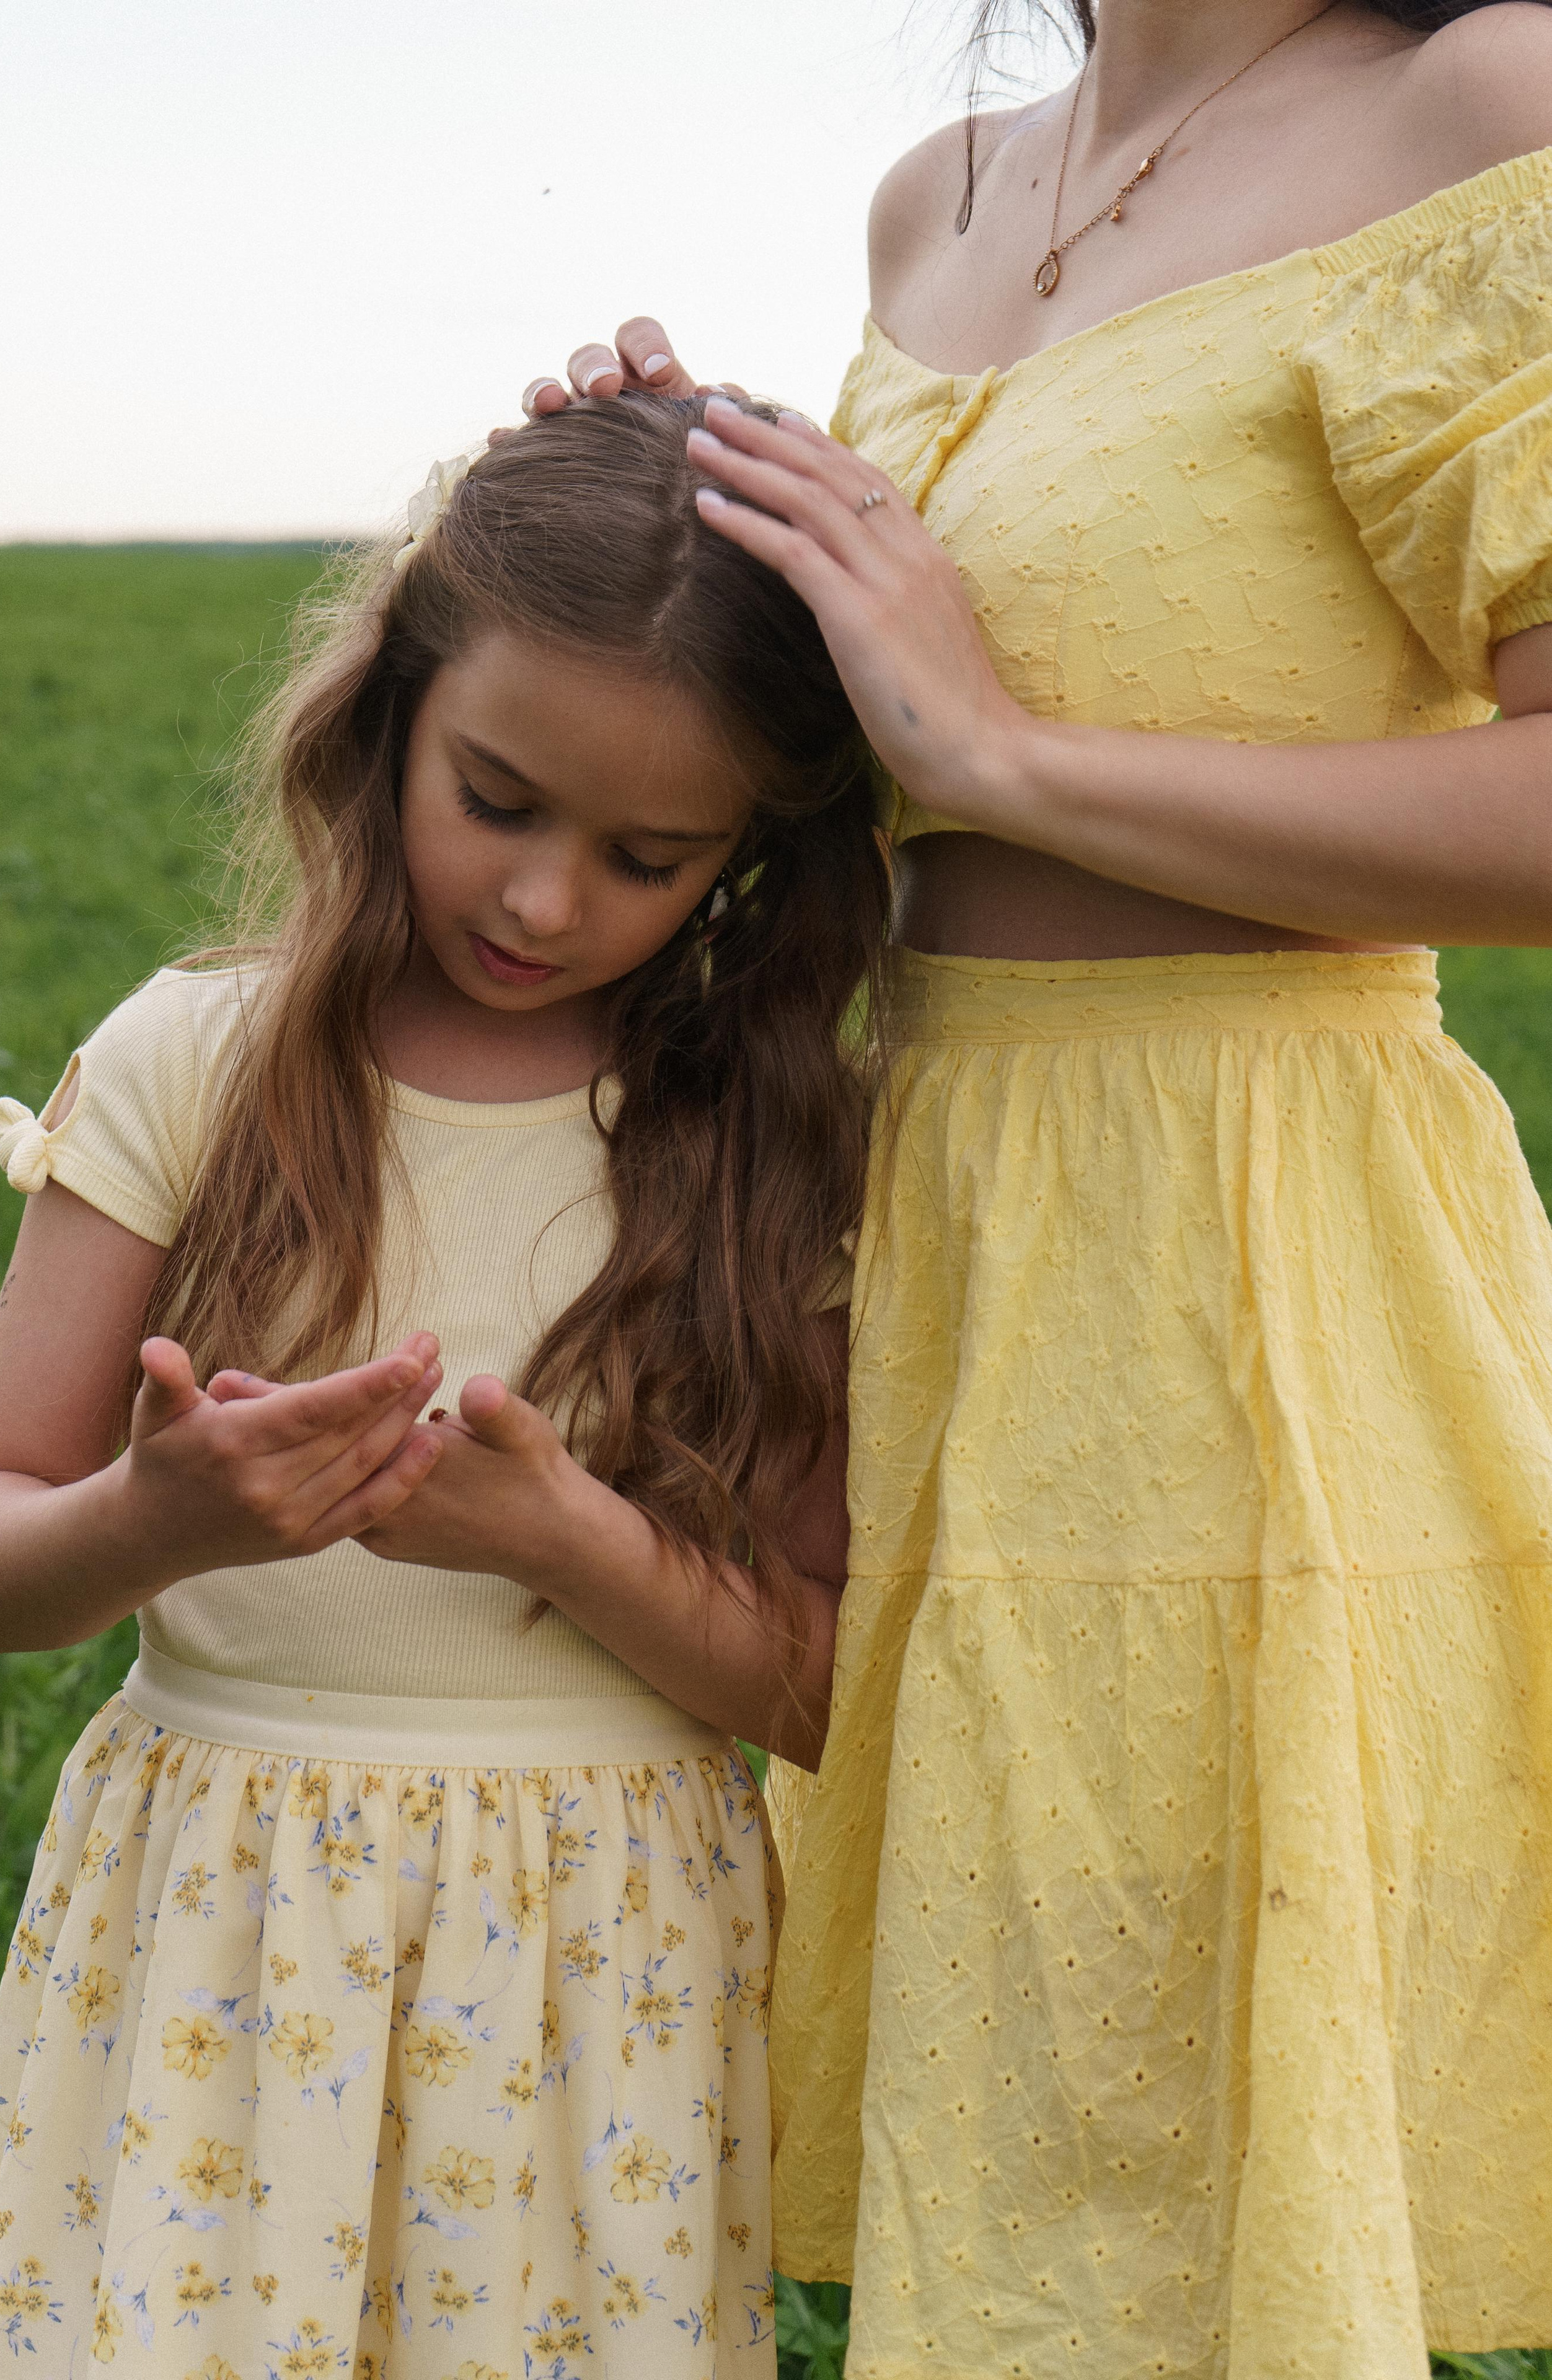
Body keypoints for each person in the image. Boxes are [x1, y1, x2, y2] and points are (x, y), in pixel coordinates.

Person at [526, 1, 1552, 2369]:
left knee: (1202, 2171)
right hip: (935, 1230)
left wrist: (1006, 749)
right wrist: (651, 521)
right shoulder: (942, 195)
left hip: (1259, 1260)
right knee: (1016, 2177)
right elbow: (851, 742)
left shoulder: (1469, 103)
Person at [0, 394, 888, 2376]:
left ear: (750, 860)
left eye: (650, 859)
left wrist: (574, 1541)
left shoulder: (758, 1148)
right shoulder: (196, 1067)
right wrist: (153, 1523)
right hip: (219, 1923)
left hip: (591, 1983)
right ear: (386, 712)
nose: (547, 902)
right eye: (498, 799)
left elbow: (827, 1686)